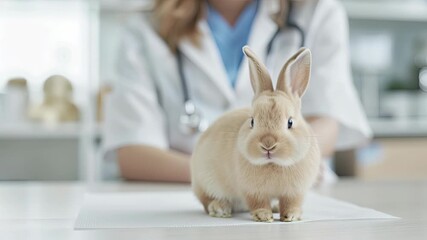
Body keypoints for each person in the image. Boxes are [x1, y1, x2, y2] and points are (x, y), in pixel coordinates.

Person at [103, 0, 372, 183]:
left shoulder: (315, 10)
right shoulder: (145, 26)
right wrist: (232, 177)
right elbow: (133, 152)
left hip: (287, 195)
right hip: (187, 199)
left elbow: (326, 122)